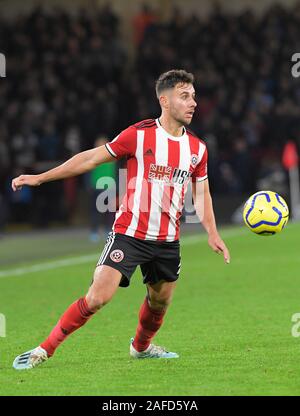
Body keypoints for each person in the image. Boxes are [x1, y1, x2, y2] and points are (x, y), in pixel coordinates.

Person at [11, 69, 230, 370]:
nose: (193, 102)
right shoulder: (138, 135)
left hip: (167, 240)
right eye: (184, 96)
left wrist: (212, 232)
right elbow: (89, 158)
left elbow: (201, 192)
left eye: (193, 96)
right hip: (129, 233)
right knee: (98, 297)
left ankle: (141, 348)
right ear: (164, 101)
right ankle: (43, 349)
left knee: (159, 302)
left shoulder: (197, 149)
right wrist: (41, 178)